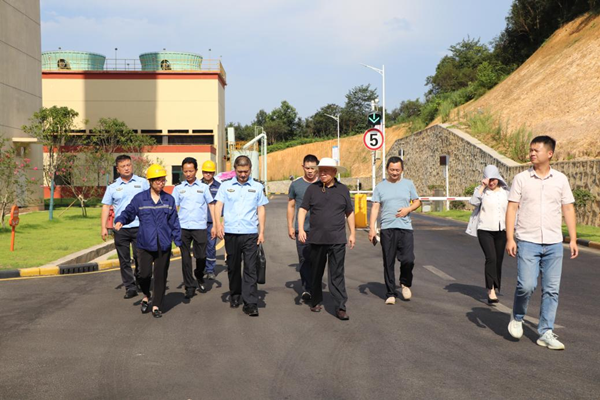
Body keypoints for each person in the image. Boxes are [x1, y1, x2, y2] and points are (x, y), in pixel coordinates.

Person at [506, 136, 578, 350]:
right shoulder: (521, 179)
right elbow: (512, 208)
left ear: (549, 153)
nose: (532, 153)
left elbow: (568, 208)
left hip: (554, 243)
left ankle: (546, 332)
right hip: (528, 241)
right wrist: (510, 238)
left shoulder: (560, 180)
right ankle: (517, 316)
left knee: (551, 290)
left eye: (536, 150)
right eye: (530, 150)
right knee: (526, 285)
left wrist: (573, 238)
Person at [114, 164, 182, 318]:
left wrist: (178, 240)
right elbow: (129, 211)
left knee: (160, 276)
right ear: (150, 181)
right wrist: (121, 220)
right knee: (143, 275)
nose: (161, 183)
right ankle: (146, 294)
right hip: (144, 243)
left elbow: (174, 222)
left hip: (163, 244)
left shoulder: (169, 199)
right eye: (158, 180)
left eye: (163, 180)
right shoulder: (140, 199)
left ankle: (156, 305)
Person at [298, 157, 355, 321]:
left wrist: (352, 233)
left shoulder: (343, 189)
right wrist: (300, 229)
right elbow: (302, 209)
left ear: (334, 172)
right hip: (316, 239)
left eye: (326, 171)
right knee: (316, 272)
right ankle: (315, 301)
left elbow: (349, 212)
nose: (322, 173)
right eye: (320, 170)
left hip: (337, 239)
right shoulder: (312, 189)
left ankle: (340, 307)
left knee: (337, 274)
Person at [214, 156, 268, 317]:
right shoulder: (226, 186)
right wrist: (218, 224)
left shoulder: (257, 187)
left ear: (250, 169)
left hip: (250, 233)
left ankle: (250, 303)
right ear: (235, 170)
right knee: (233, 267)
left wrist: (262, 231)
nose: (243, 174)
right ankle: (235, 294)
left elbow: (261, 209)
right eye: (240, 171)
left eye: (246, 171)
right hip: (231, 233)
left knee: (251, 268)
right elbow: (218, 205)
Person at [369, 156, 421, 305]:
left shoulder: (408, 184)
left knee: (408, 259)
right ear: (387, 169)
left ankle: (405, 283)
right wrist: (372, 228)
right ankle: (391, 293)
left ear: (402, 170)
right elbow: (375, 207)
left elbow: (417, 201)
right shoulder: (380, 187)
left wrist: (408, 209)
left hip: (405, 227)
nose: (394, 172)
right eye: (392, 170)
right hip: (387, 228)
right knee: (388, 261)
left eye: (397, 170)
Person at [101, 155, 149, 299]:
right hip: (120, 228)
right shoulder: (112, 187)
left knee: (140, 257)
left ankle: (140, 279)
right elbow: (106, 206)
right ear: (118, 169)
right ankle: (130, 287)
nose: (126, 168)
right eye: (123, 166)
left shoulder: (142, 183)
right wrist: (104, 227)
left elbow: (150, 200)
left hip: (140, 226)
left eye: (128, 165)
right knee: (124, 259)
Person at [172, 157, 216, 299]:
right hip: (183, 227)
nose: (188, 174)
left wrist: (215, 224)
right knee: (185, 258)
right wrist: (172, 227)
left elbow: (211, 205)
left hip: (200, 227)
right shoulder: (178, 188)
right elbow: (173, 208)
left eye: (191, 171)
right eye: (185, 171)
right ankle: (189, 286)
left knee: (201, 256)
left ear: (196, 171)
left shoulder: (203, 187)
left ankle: (199, 274)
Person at [466, 165, 510, 304]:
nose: (491, 183)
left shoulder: (505, 192)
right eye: (488, 180)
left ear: (498, 178)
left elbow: (512, 209)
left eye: (493, 179)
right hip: (484, 230)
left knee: (498, 260)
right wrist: (482, 186)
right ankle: (490, 290)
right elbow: (473, 202)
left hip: (501, 231)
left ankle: (495, 286)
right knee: (491, 258)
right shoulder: (481, 191)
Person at [287, 154, 319, 302]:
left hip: (320, 230)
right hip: (302, 229)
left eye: (313, 168)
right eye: (307, 168)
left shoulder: (323, 183)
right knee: (304, 259)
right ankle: (307, 289)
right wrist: (290, 226)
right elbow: (291, 206)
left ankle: (315, 287)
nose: (310, 171)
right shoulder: (296, 185)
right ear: (303, 167)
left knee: (317, 261)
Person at [200, 160, 221, 281]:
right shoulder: (197, 185)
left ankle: (210, 269)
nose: (208, 174)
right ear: (202, 172)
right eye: (205, 172)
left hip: (212, 222)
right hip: (199, 222)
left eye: (210, 172)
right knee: (201, 247)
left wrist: (218, 223)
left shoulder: (219, 187)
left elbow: (221, 205)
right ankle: (201, 267)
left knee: (211, 246)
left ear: (214, 173)